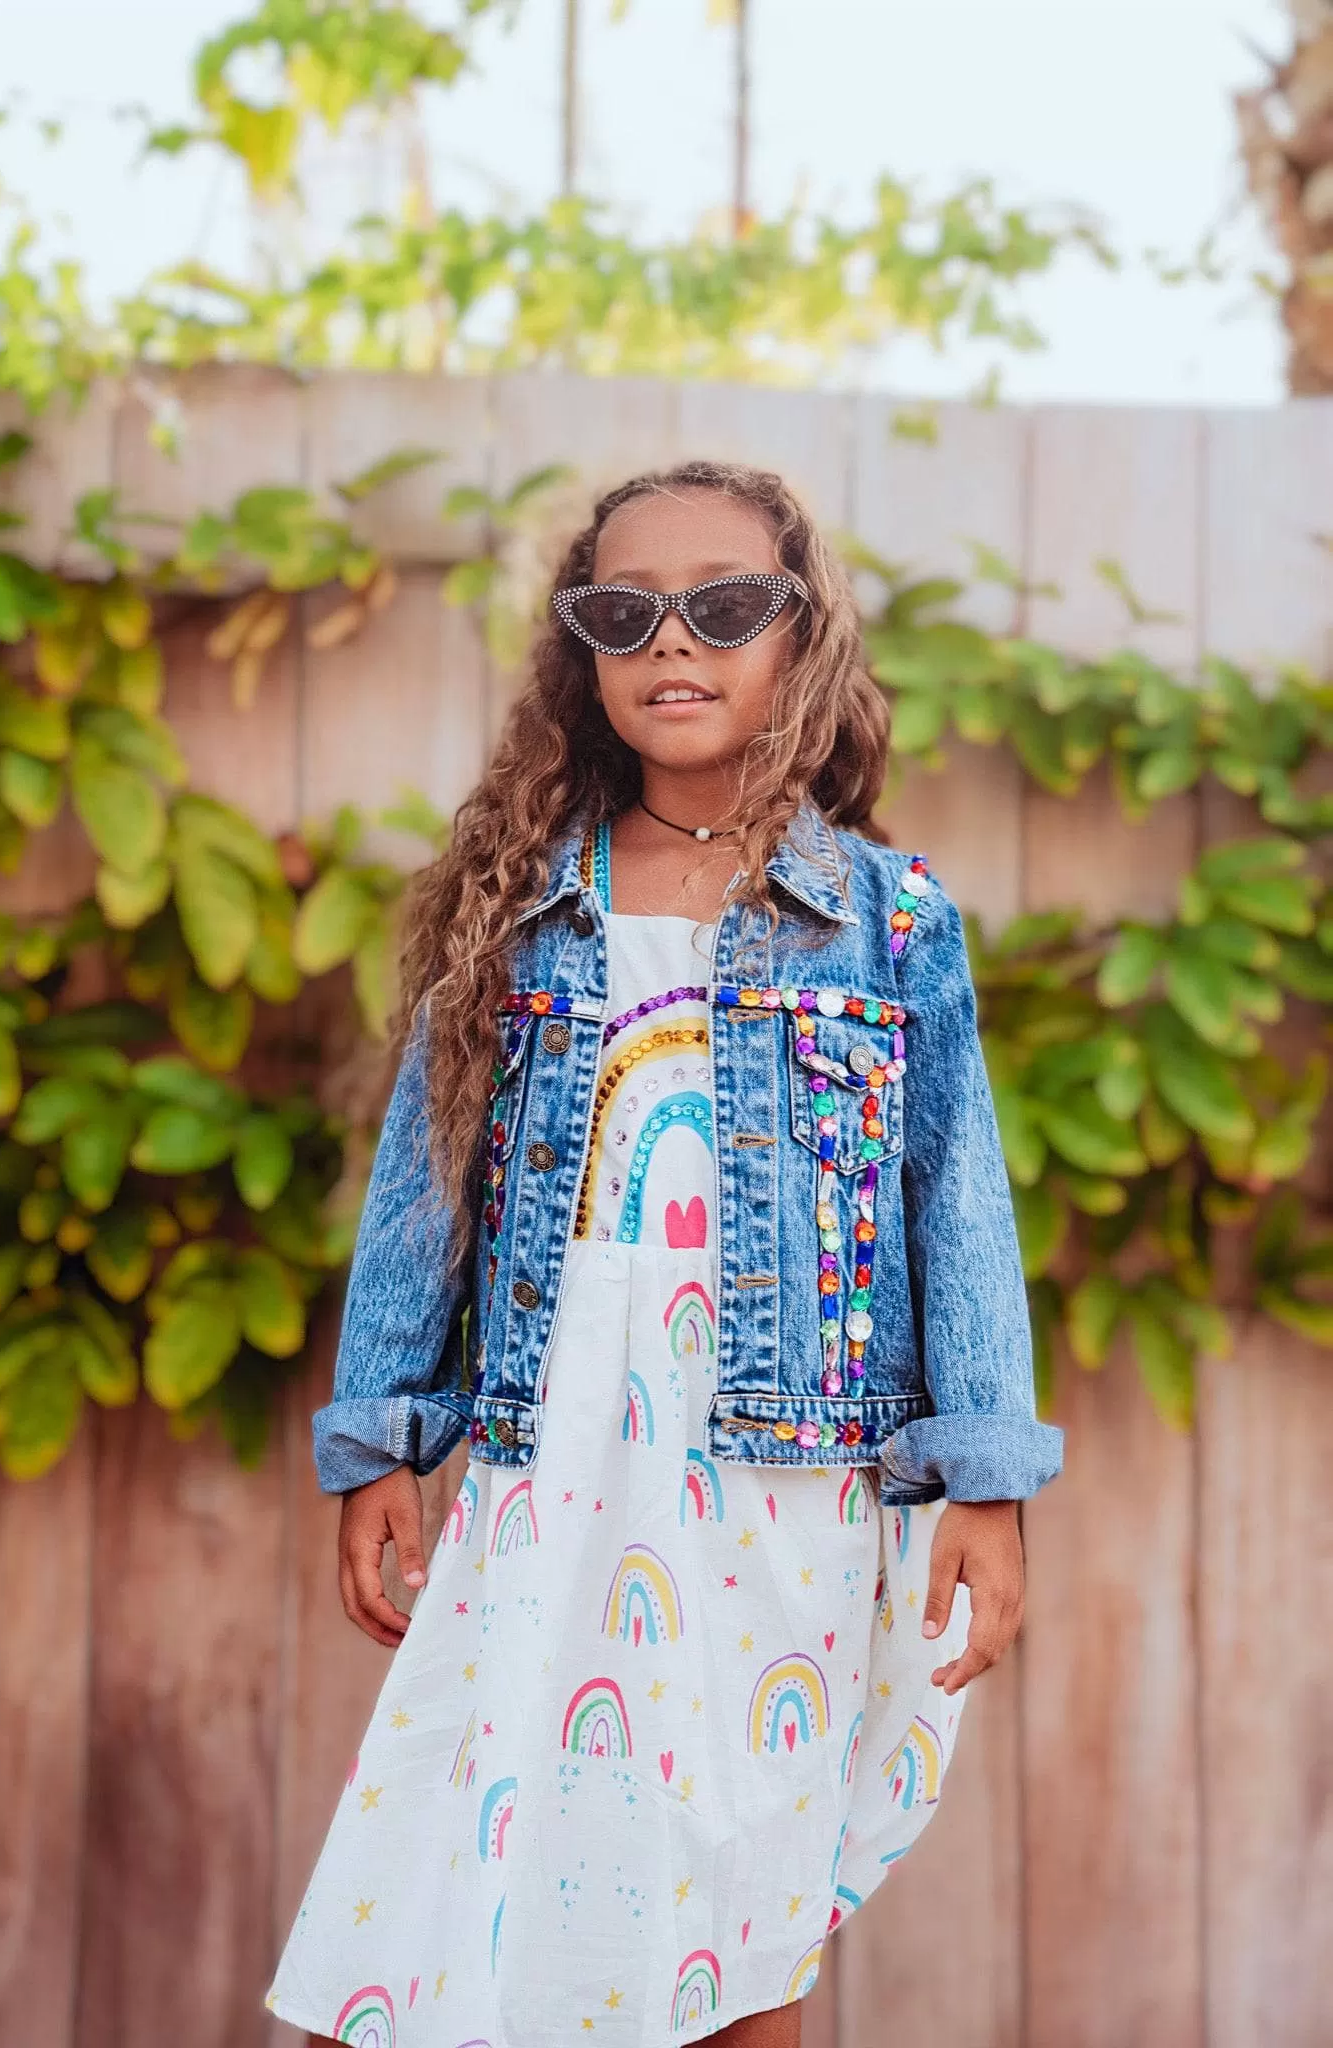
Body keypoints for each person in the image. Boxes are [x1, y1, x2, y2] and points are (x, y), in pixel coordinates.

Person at [265, 459, 1064, 2048]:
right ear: (582, 649)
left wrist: (988, 1478)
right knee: (492, 1844)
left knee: (745, 1880)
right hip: (551, 1461)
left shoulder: (886, 916)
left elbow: (957, 1196)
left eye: (724, 605)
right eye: (624, 612)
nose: (673, 641)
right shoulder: (517, 905)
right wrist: (383, 1438)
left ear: (800, 638)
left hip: (788, 1483)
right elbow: (425, 1185)